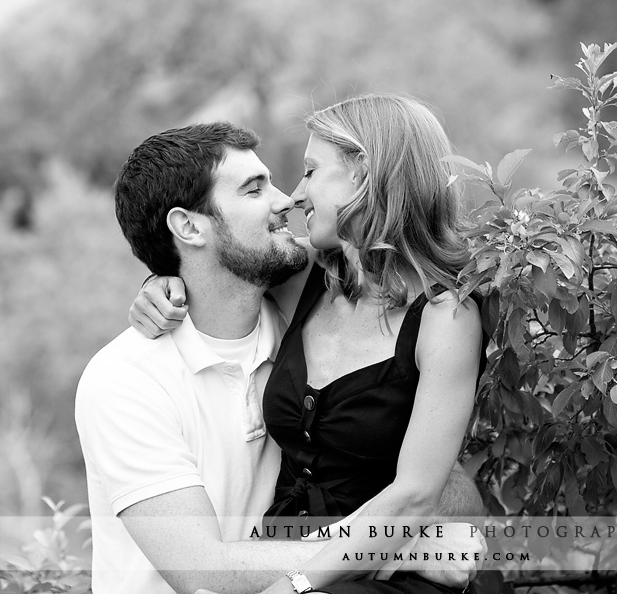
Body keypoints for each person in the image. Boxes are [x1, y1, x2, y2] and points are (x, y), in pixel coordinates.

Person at [77, 121, 482, 594]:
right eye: (254, 190)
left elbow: (423, 484)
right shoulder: (126, 381)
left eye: (296, 176)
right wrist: (394, 546)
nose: (287, 199)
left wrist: (409, 519)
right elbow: (202, 568)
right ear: (188, 226)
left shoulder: (309, 321)